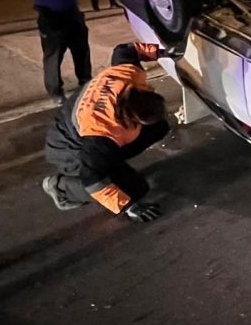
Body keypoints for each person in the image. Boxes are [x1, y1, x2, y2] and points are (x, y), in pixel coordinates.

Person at [42, 42, 172, 222]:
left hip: (82, 131)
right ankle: (62, 187)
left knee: (160, 127)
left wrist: (165, 52)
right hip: (67, 149)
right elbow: (91, 178)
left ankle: (112, 166)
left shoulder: (127, 76)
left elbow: (125, 49)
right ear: (132, 118)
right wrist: (128, 206)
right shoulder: (101, 132)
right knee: (134, 190)